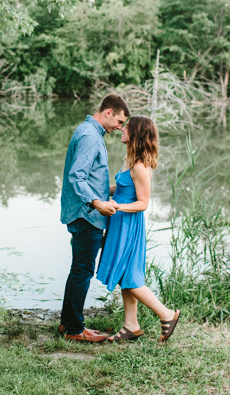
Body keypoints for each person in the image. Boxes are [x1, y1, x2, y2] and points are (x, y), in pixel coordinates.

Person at [96, 115, 181, 342]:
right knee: (126, 273)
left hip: (128, 224)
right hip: (120, 221)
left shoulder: (140, 167)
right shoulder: (130, 161)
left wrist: (116, 206)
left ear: (136, 134)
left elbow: (143, 203)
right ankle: (131, 325)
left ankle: (166, 314)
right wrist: (100, 191)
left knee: (130, 276)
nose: (121, 129)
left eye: (127, 127)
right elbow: (122, 189)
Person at [58, 94, 130, 342]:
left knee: (77, 270)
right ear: (108, 112)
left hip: (83, 212)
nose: (119, 127)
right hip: (86, 215)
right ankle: (75, 330)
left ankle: (67, 323)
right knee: (82, 271)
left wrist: (115, 191)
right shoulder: (90, 136)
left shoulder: (89, 131)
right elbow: (77, 177)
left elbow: (88, 178)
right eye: (119, 121)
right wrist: (97, 203)